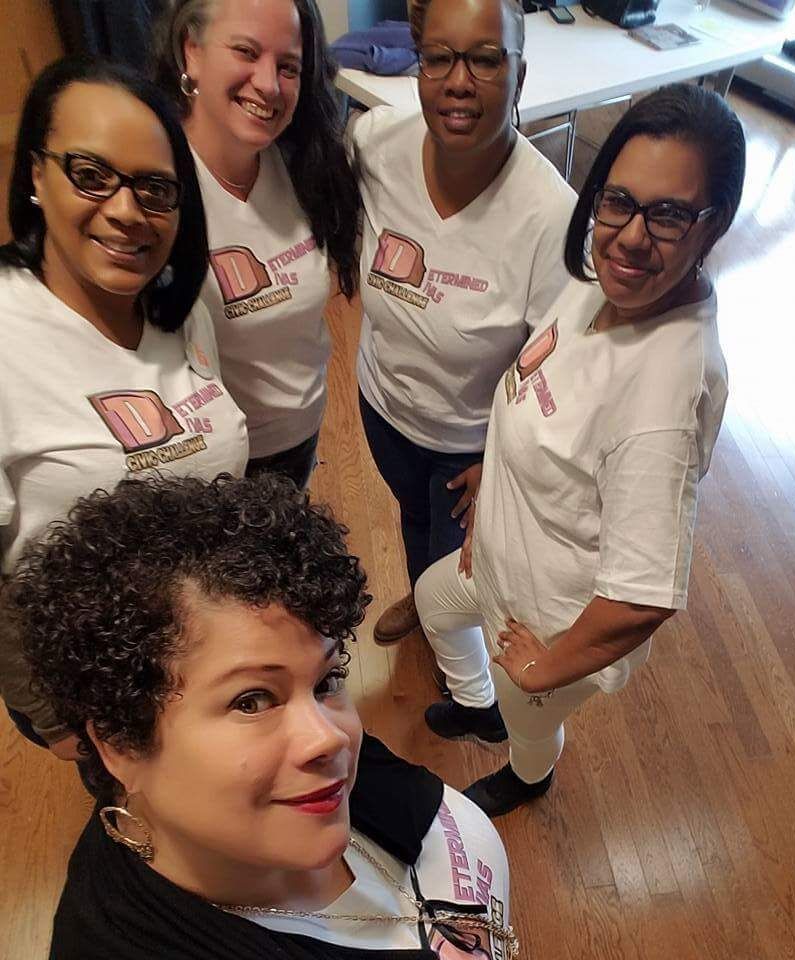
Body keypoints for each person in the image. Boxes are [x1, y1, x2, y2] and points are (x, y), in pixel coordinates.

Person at [6, 474, 515, 960]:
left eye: (326, 681)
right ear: (119, 743)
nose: (329, 738)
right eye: (251, 701)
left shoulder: (308, 786)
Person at [415, 84, 747, 816]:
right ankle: (479, 705)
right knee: (434, 604)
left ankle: (531, 773)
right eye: (618, 200)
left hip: (546, 621)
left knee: (528, 723)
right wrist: (496, 475)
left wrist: (542, 670)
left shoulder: (663, 391)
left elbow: (641, 596)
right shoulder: (606, 285)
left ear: (712, 226)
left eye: (667, 214)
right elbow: (550, 396)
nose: (631, 235)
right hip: (500, 555)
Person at [0, 56, 248, 758]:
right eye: (91, 175)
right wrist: (55, 722)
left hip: (207, 651)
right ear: (35, 177)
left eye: (154, 189)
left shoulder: (184, 307)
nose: (125, 210)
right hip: (89, 692)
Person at [350, 0, 577, 646]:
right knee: (413, 518)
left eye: (484, 59)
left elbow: (560, 371)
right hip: (385, 408)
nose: (458, 81)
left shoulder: (549, 217)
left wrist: (503, 463)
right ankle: (425, 607)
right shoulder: (374, 144)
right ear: (418, 68)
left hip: (470, 445)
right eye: (439, 58)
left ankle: (465, 686)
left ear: (519, 75)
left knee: (463, 572)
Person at [154, 0, 360, 489]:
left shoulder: (304, 164)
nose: (268, 84)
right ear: (192, 52)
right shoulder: (153, 184)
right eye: (246, 51)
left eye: (288, 67)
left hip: (301, 436)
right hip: (211, 465)